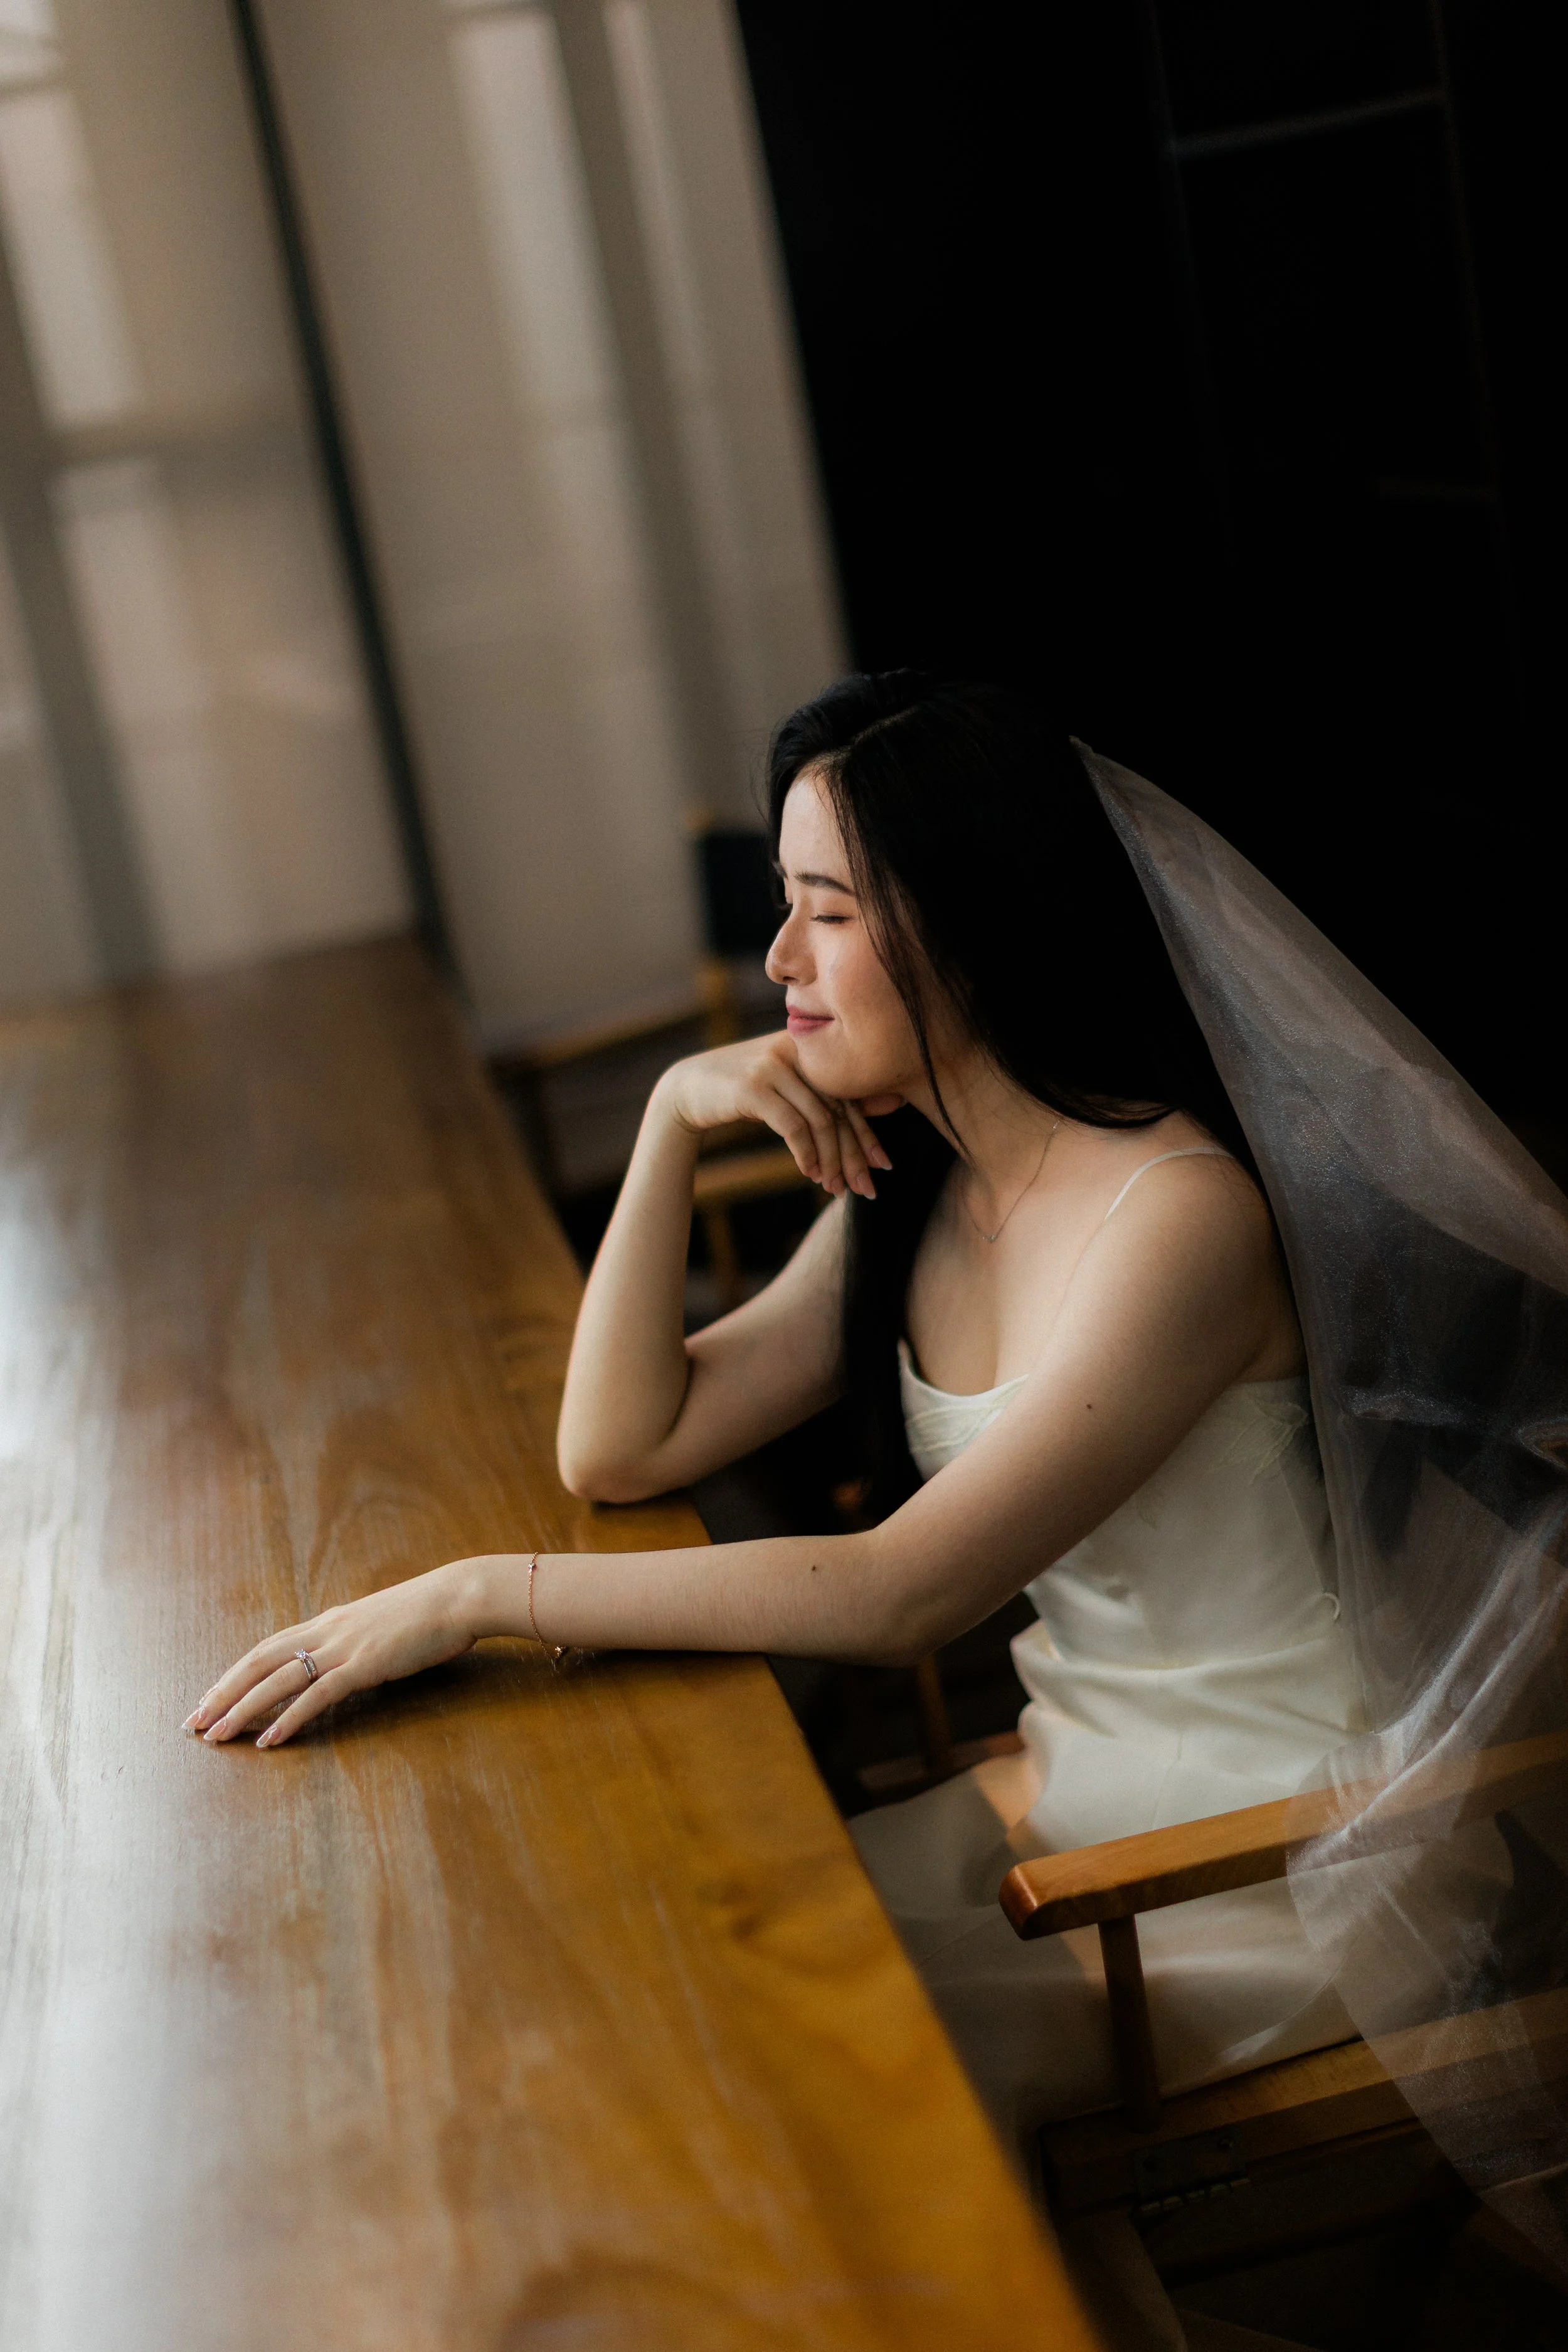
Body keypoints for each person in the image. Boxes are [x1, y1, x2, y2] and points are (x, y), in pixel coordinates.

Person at [186, 672, 1369, 2145]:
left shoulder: (1173, 1218)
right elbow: (620, 1446)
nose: (777, 958)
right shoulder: (925, 1180)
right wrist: (670, 1121)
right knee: (653, 1951)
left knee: (761, 2068)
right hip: (1067, 1794)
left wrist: (475, 1596)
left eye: (830, 912)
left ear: (976, 923)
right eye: (782, 903)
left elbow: (900, 1593)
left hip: (1268, 1857)